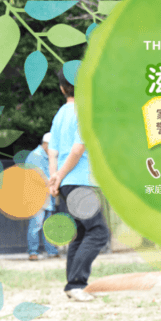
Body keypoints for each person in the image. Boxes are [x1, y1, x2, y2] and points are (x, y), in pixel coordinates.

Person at [47, 70, 108, 302]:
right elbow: (78, 148)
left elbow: (53, 150)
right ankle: (76, 284)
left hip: (66, 182)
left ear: (62, 88)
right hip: (79, 179)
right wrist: (60, 175)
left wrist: (55, 178)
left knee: (82, 232)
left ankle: (73, 285)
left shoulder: (60, 114)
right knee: (98, 231)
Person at [26, 133, 60, 261]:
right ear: (46, 144)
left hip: (48, 197)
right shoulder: (35, 156)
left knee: (48, 225)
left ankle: (51, 251)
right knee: (36, 225)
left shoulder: (48, 157)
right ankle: (33, 252)